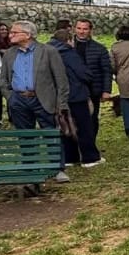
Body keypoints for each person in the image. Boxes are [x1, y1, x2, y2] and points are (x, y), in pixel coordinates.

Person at [0, 21, 70, 185]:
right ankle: (30, 167)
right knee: (25, 135)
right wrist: (10, 97)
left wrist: (61, 103)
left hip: (43, 98)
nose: (10, 35)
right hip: (18, 99)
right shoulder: (10, 54)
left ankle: (57, 169)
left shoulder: (48, 51)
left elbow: (61, 80)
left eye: (14, 33)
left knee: (51, 133)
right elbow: (3, 79)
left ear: (28, 35)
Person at [50, 19, 102, 167]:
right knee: (84, 126)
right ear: (69, 40)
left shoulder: (47, 52)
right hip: (76, 94)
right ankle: (90, 158)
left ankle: (69, 157)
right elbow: (83, 73)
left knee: (65, 126)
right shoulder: (68, 53)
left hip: (58, 95)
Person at [73, 18, 113, 142]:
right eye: (79, 28)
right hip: (73, 90)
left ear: (90, 30)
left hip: (93, 89)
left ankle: (90, 142)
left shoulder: (99, 48)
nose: (81, 32)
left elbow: (106, 70)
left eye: (85, 29)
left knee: (92, 118)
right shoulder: (67, 47)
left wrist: (106, 90)